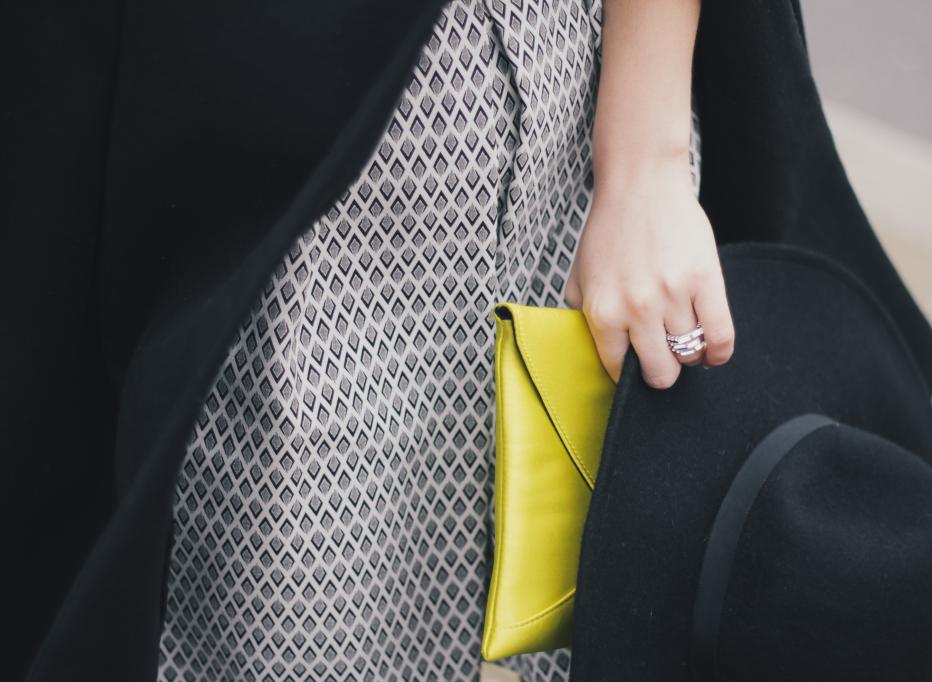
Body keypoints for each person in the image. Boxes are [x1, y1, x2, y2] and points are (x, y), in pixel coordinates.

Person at [156, 1, 719, 680]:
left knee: (603, 600)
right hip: (291, 199)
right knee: (284, 622)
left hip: (579, 134)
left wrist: (645, 162)